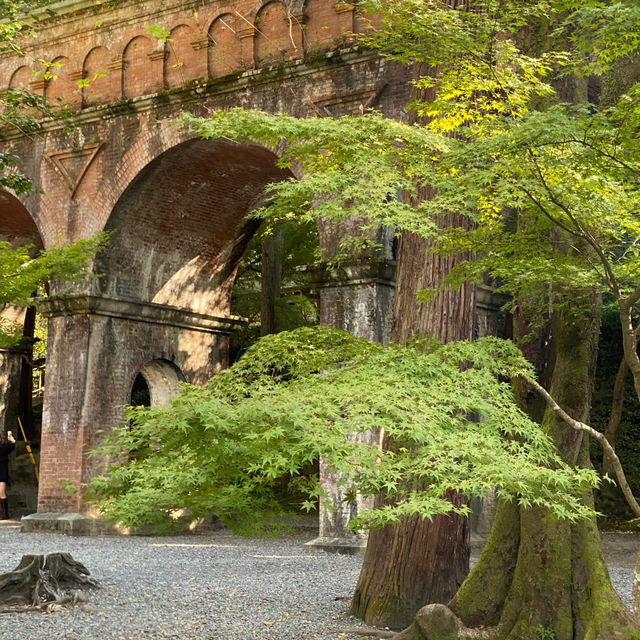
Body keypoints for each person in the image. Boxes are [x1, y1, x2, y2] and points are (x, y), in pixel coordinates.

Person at [0, 430, 16, 520]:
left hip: (2, 473)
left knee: (1, 491)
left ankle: (4, 514)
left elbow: (13, 444)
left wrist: (10, 437)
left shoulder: (4, 447)